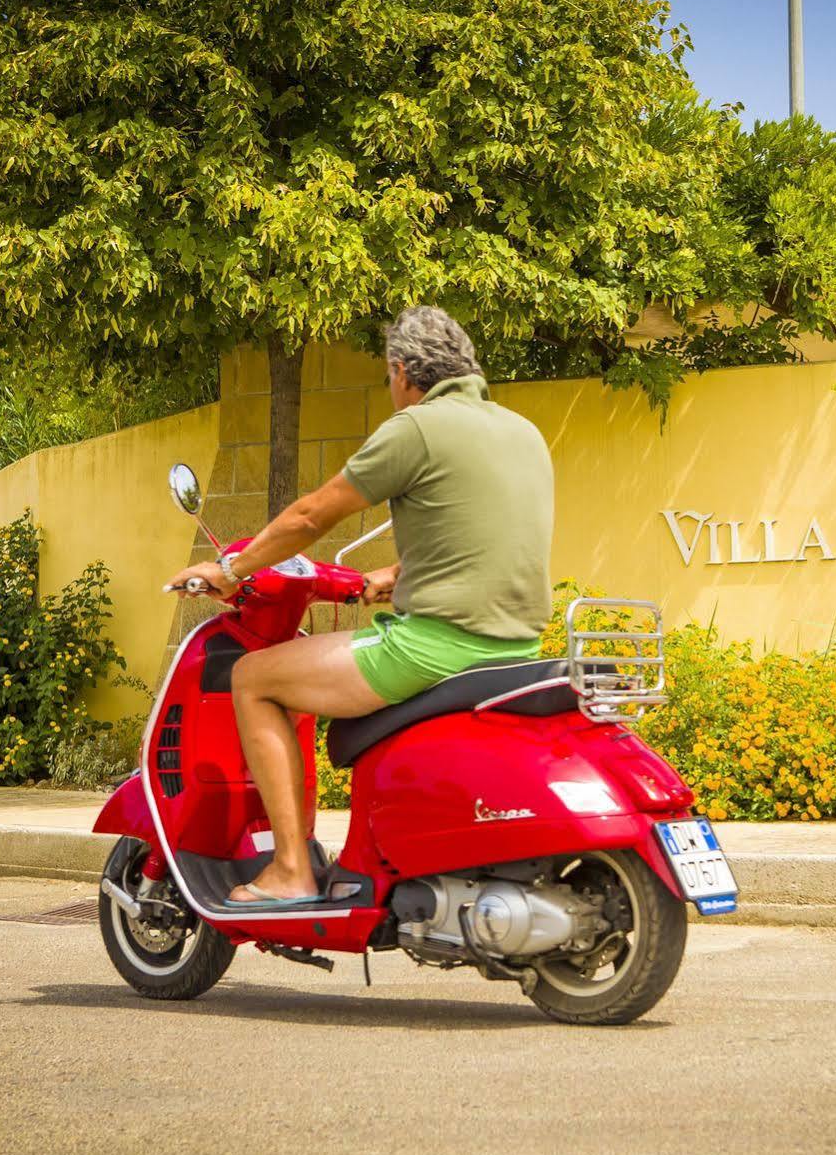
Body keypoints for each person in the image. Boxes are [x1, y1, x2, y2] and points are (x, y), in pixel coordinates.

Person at [166, 307, 555, 906]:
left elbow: (311, 516)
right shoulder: (522, 432)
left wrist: (228, 570)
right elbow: (491, 536)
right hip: (519, 650)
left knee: (252, 679)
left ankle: (292, 869)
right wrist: (399, 575)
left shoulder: (419, 427)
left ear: (402, 373)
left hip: (435, 648)